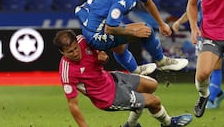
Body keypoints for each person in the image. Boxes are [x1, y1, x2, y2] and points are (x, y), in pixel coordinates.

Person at [53, 29, 193, 127]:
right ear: (61, 52)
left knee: (152, 85)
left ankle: (131, 124)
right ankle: (168, 123)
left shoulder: (84, 40)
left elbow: (102, 56)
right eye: (70, 52)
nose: (75, 53)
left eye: (76, 48)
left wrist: (103, 58)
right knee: (154, 101)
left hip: (112, 78)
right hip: (109, 97)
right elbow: (73, 105)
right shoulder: (67, 71)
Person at [75, 0, 189, 75]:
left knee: (120, 47)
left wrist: (161, 23)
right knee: (146, 30)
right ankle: (162, 62)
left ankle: (136, 71)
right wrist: (134, 32)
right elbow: (110, 29)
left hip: (92, 25)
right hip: (97, 35)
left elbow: (148, 2)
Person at [172, 0, 224, 110]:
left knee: (215, 66)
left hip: (217, 32)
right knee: (205, 69)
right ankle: (218, 92)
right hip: (202, 33)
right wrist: (179, 22)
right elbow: (191, 9)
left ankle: (211, 97)